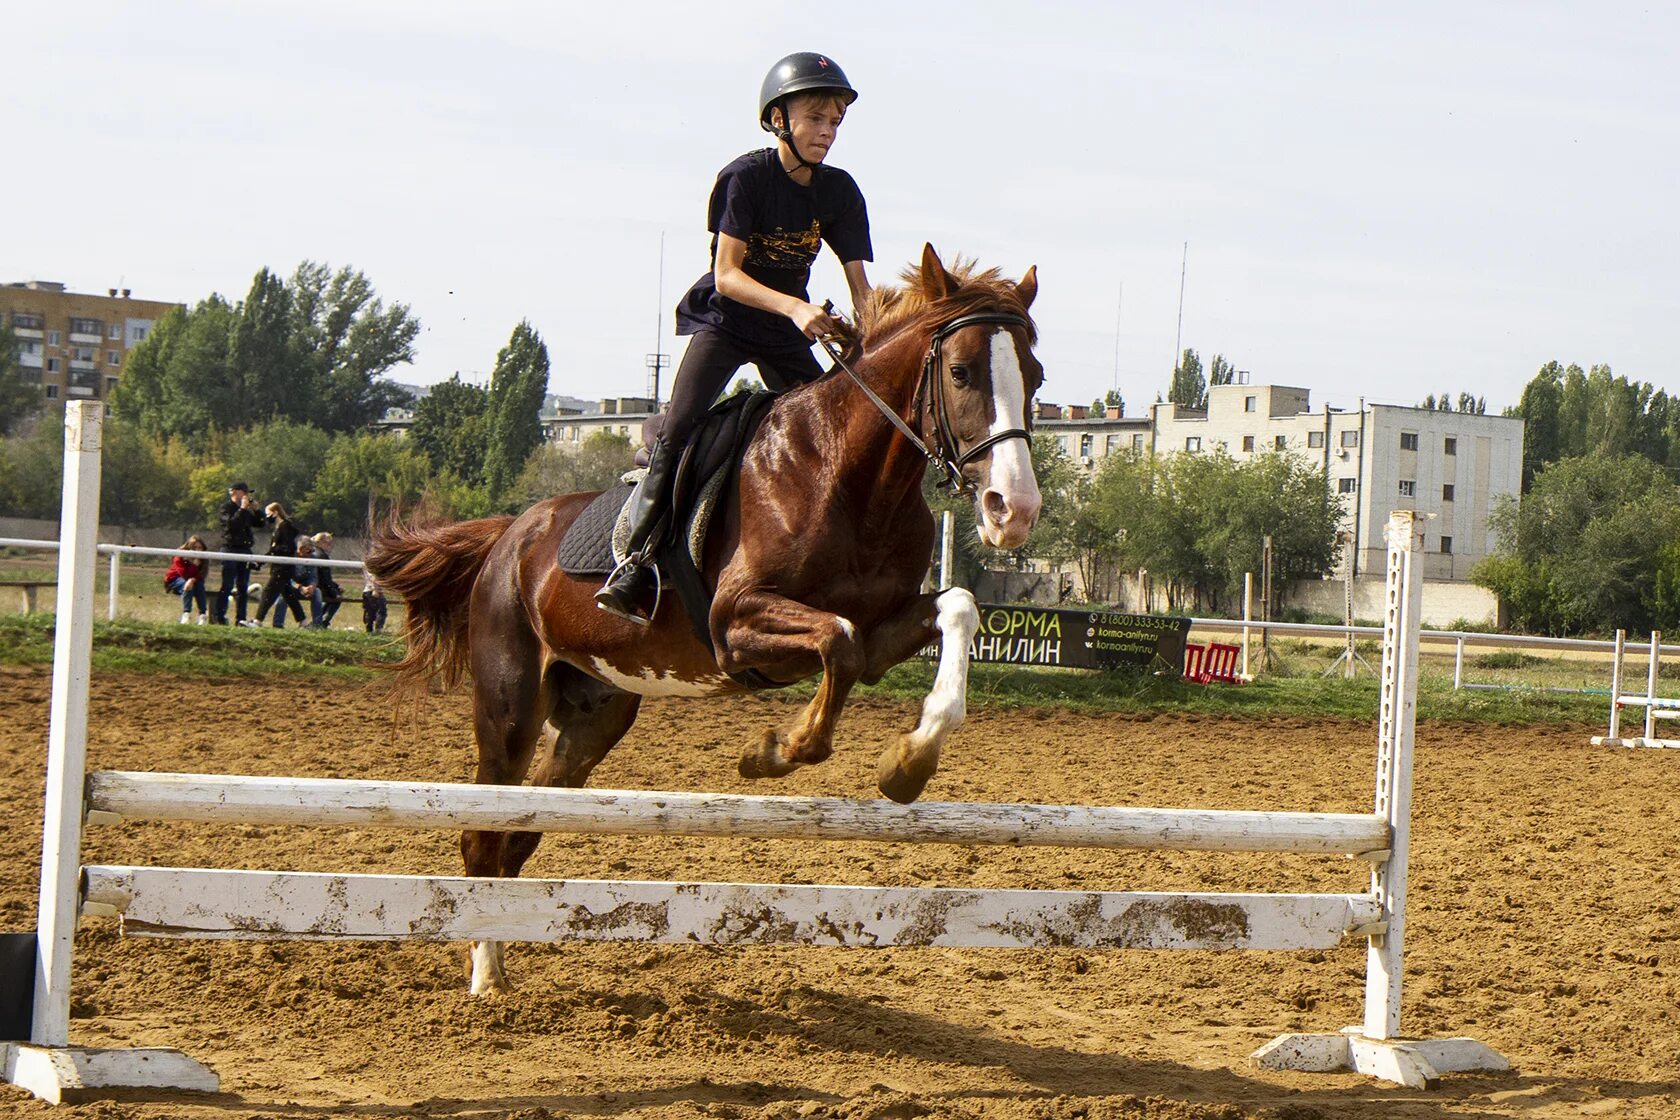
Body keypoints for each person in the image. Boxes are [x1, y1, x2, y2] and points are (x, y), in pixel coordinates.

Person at [593, 52, 873, 624]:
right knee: (678, 431)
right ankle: (634, 565)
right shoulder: (746, 177)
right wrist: (797, 307)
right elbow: (728, 276)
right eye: (816, 118)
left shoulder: (840, 192)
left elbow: (862, 288)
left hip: (785, 330)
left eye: (835, 122)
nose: (827, 131)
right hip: (726, 321)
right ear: (778, 120)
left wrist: (863, 336)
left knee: (834, 435)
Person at [211, 482, 265, 625]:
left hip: (245, 549)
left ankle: (240, 618)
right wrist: (242, 508)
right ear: (235, 492)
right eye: (244, 492)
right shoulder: (226, 508)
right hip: (230, 548)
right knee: (227, 584)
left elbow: (260, 524)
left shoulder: (246, 510)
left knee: (243, 586)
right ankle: (219, 616)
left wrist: (257, 511)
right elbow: (232, 524)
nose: (247, 495)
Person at [249, 501, 305, 628]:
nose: (267, 517)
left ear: (275, 513)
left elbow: (286, 547)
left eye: (268, 514)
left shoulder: (285, 527)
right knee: (289, 596)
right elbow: (273, 550)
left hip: (282, 568)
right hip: (279, 567)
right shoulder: (278, 528)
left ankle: (258, 620)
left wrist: (274, 552)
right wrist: (261, 561)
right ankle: (303, 621)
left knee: (268, 593)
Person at [164, 535, 209, 624]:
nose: (197, 550)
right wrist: (194, 565)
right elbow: (184, 574)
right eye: (194, 547)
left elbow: (202, 575)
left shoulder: (204, 558)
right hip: (175, 579)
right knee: (187, 584)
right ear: (189, 547)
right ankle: (186, 614)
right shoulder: (180, 555)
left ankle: (203, 615)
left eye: (199, 548)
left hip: (193, 580)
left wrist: (192, 580)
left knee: (199, 586)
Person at [310, 531, 344, 628]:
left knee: (334, 595)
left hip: (316, 585)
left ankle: (319, 621)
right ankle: (323, 622)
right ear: (319, 542)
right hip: (319, 586)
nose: (330, 545)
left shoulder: (315, 553)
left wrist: (335, 586)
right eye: (327, 543)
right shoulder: (322, 556)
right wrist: (335, 592)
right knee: (337, 598)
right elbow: (325, 579)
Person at [288, 537, 321, 628]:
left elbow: (313, 576)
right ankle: (278, 624)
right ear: (300, 549)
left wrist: (312, 586)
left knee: (317, 592)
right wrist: (300, 587)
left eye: (312, 550)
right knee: (284, 594)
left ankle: (317, 624)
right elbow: (286, 578)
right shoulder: (291, 556)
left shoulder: (312, 558)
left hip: (305, 586)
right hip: (291, 586)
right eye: (308, 551)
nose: (311, 554)